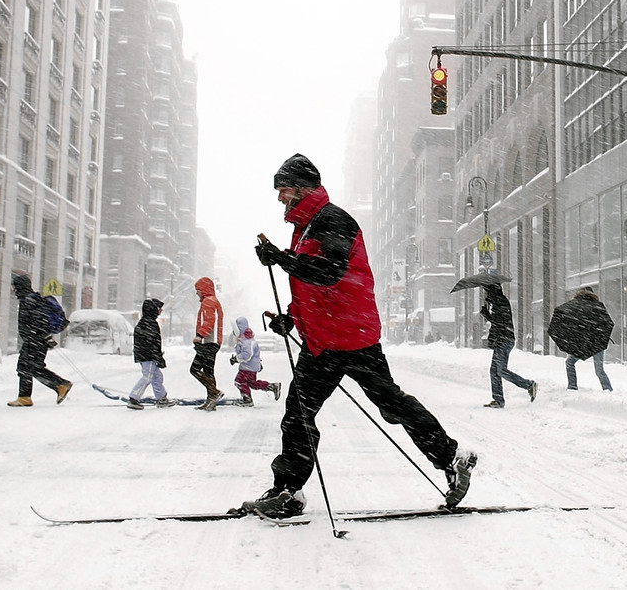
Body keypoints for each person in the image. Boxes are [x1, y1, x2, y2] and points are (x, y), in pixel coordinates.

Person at [238, 154, 476, 519]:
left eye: (283, 190)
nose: (280, 198)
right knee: (298, 413)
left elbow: (330, 273)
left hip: (352, 335)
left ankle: (452, 457)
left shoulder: (334, 219)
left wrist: (281, 259)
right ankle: (288, 491)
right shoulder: (305, 226)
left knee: (391, 406)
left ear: (302, 189)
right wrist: (291, 317)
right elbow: (312, 287)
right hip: (323, 340)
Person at [7, 273, 71, 407]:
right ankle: (28, 396)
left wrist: (34, 336)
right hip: (37, 341)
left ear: (20, 286)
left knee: (27, 368)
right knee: (29, 368)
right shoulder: (33, 299)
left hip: (34, 341)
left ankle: (59, 385)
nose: (14, 289)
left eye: (15, 286)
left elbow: (38, 321)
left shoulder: (28, 301)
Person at [481, 283, 537, 407]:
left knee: (501, 370)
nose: (484, 293)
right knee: (494, 371)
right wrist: (489, 315)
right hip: (502, 339)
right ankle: (498, 400)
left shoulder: (499, 302)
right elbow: (499, 321)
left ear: (491, 290)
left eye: (486, 290)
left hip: (504, 340)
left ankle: (529, 385)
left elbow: (500, 322)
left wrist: (488, 316)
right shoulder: (497, 301)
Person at [549, 286, 614, 391]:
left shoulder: (575, 306)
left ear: (580, 293)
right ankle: (608, 390)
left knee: (569, 363)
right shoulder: (598, 307)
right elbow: (607, 323)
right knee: (599, 370)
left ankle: (572, 386)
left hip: (582, 344)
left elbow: (569, 321)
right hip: (597, 343)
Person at [127, 298, 176, 409]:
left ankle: (161, 398)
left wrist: (157, 355)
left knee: (157, 377)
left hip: (147, 355)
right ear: (153, 309)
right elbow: (152, 343)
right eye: (159, 309)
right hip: (148, 357)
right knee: (148, 376)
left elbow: (152, 343)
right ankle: (134, 398)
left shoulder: (147, 322)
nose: (161, 311)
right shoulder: (149, 323)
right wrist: (157, 356)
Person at [229, 316, 281, 407]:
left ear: (240, 329)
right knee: (252, 384)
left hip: (249, 367)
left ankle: (247, 400)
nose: (233, 331)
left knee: (239, 381)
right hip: (249, 367)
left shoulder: (248, 342)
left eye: (235, 329)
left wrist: (236, 359)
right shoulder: (243, 339)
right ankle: (272, 386)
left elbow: (247, 355)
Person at [190, 276, 224, 411]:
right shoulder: (213, 301)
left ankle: (214, 393)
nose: (197, 292)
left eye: (197, 290)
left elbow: (209, 321)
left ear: (203, 289)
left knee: (195, 369)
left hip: (208, 342)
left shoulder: (208, 302)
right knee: (209, 371)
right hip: (213, 342)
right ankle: (211, 401)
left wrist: (199, 335)